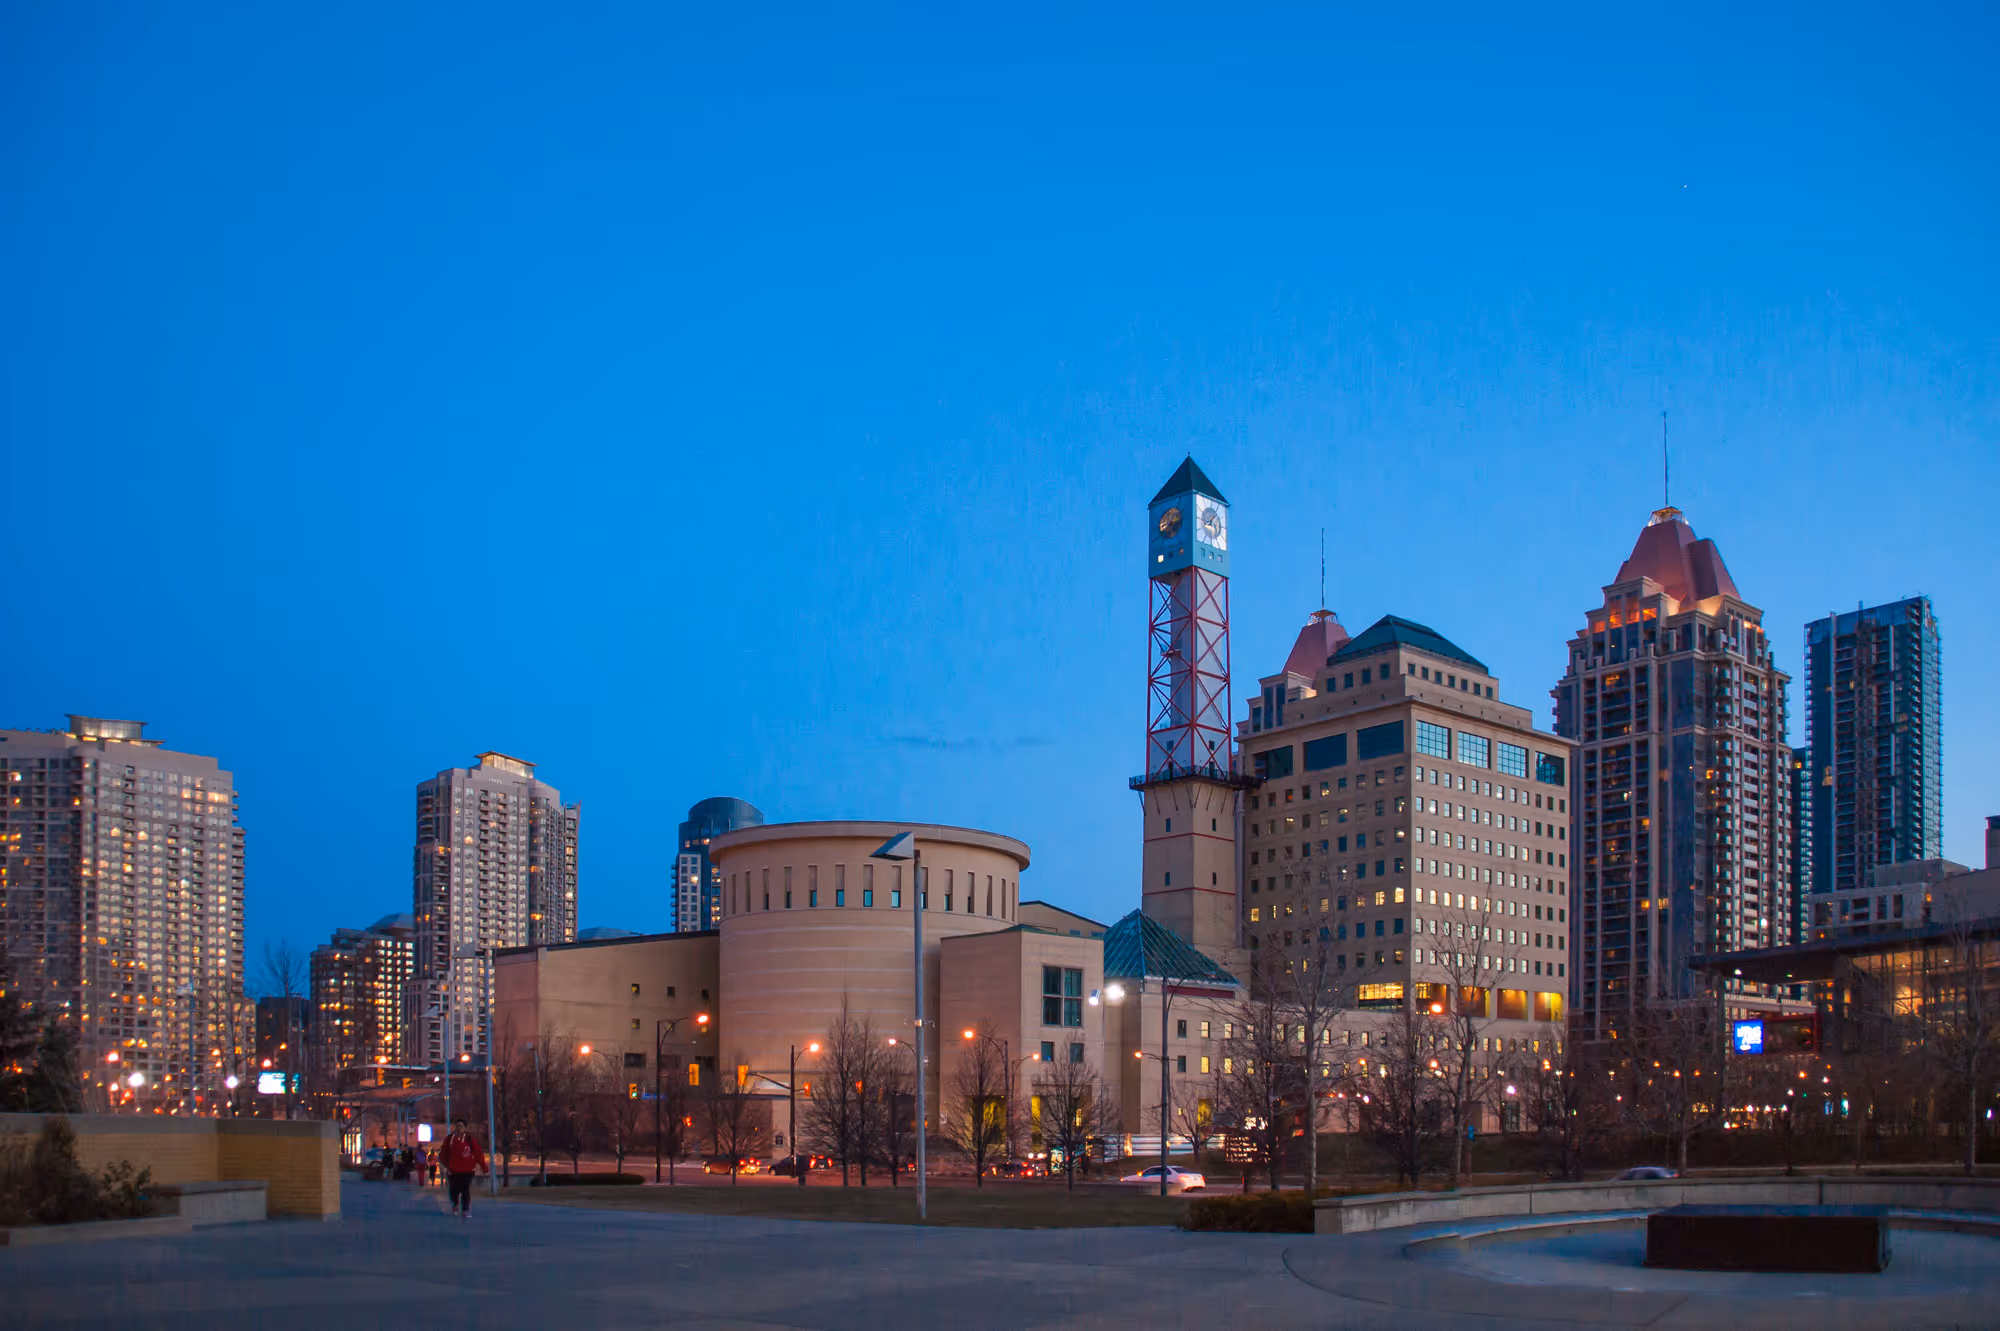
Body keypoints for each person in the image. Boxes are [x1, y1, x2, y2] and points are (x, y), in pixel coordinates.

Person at [440, 1117, 488, 1219]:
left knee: (465, 1189)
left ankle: (465, 1209)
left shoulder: (470, 1139)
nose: (459, 1128)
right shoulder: (450, 1139)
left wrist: (484, 1167)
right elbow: (443, 1154)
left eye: (461, 1126)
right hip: (453, 1170)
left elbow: (478, 1153)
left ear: (465, 1128)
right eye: (457, 1126)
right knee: (454, 1190)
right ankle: (455, 1204)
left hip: (467, 1170)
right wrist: (447, 1165)